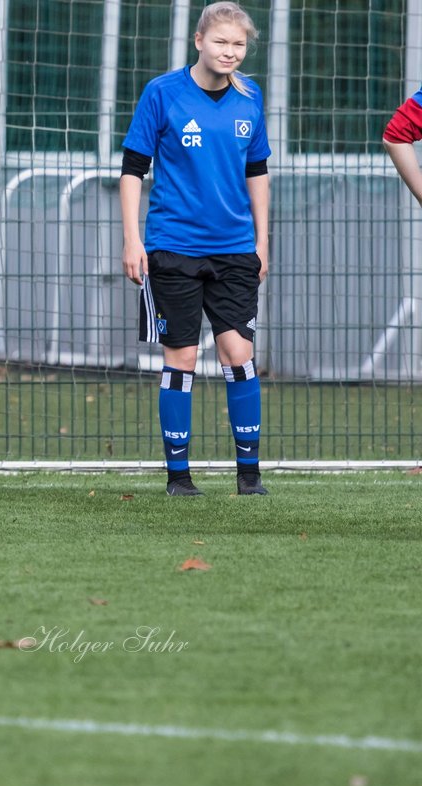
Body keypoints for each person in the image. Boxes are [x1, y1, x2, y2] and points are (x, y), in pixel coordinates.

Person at [120, 1, 270, 497]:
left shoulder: (250, 98)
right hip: (173, 248)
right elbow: (132, 170)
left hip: (234, 251)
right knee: (181, 357)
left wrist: (262, 241)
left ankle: (249, 476)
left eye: (239, 44)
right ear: (199, 41)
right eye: (221, 42)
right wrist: (132, 239)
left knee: (238, 354)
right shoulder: (162, 93)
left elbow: (257, 173)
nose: (230, 52)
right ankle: (178, 477)